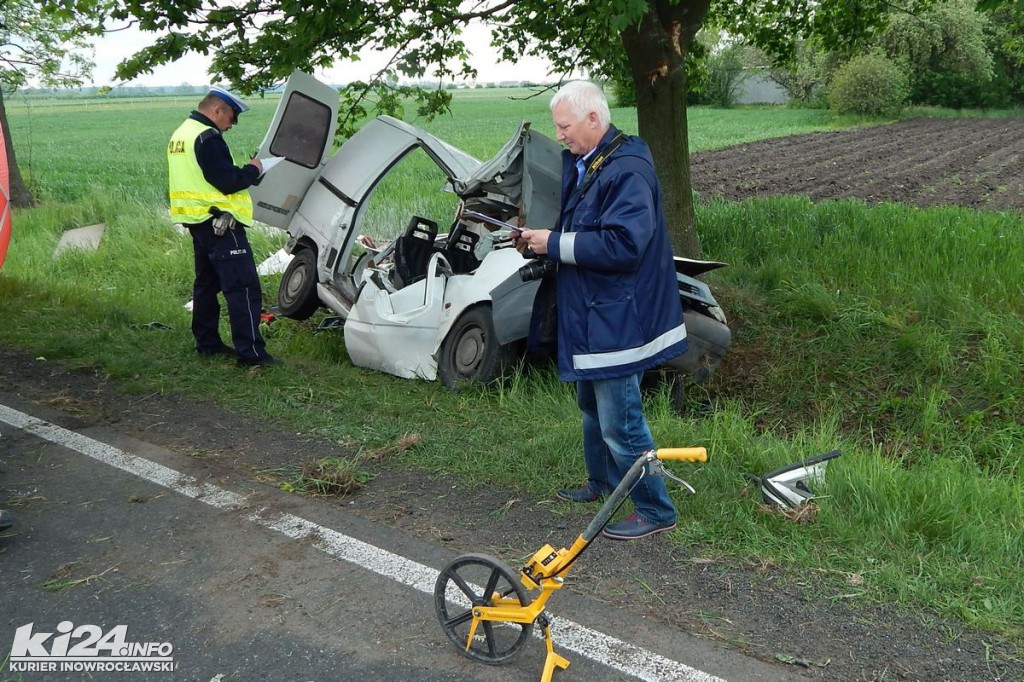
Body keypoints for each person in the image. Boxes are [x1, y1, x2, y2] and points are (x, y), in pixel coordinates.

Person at [515, 81, 688, 541]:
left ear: (594, 119)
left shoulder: (625, 169)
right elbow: (583, 229)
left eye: (565, 126)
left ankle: (656, 510)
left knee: (621, 419)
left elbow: (623, 245)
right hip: (595, 313)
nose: (561, 135)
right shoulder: (592, 161)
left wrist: (552, 242)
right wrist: (542, 243)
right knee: (591, 405)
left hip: (617, 318)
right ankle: (604, 484)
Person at [167, 85, 278, 367]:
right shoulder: (207, 137)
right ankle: (252, 356)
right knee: (242, 288)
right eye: (232, 118)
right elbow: (226, 181)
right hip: (221, 225)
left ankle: (207, 344)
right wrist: (254, 169)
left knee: (206, 285)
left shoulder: (182, 133)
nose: (231, 125)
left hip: (197, 222)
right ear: (218, 110)